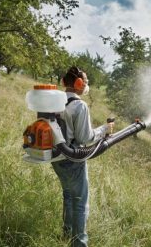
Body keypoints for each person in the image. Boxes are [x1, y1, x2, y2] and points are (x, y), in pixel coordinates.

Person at [51, 66, 110, 247]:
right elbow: (86, 138)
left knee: (68, 196)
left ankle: (66, 234)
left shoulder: (54, 101)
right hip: (72, 159)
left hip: (56, 158)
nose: (86, 84)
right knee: (80, 202)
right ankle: (79, 243)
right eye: (85, 81)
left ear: (63, 82)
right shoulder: (79, 105)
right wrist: (104, 130)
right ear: (78, 83)